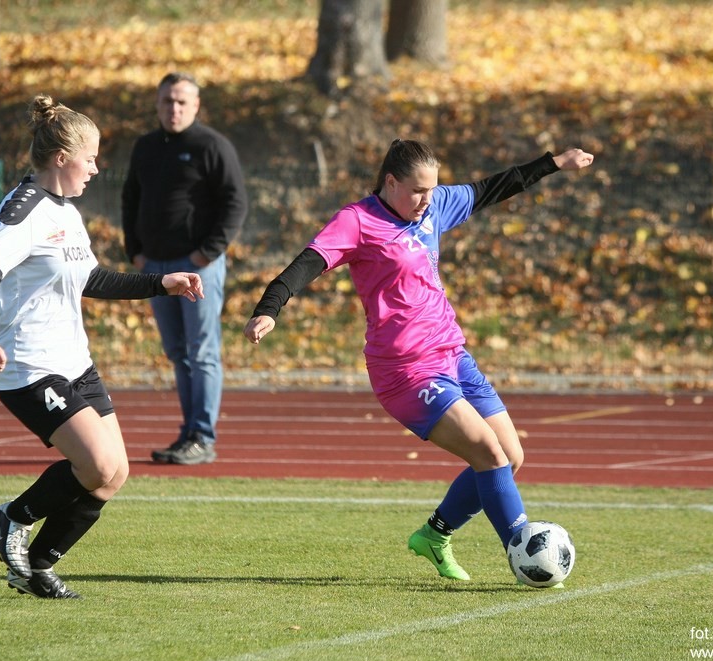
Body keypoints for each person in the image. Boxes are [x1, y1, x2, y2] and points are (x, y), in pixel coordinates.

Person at [244, 140, 593, 581]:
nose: (428, 200)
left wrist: (554, 164)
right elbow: (306, 264)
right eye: (417, 190)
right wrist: (269, 309)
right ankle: (524, 551)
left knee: (510, 455)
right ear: (390, 182)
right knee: (489, 453)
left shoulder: (433, 206)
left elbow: (492, 188)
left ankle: (433, 535)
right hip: (405, 371)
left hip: (452, 354)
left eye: (432, 189)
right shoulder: (358, 221)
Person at [0, 94, 204, 599]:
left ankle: (37, 567)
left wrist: (161, 283)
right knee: (94, 464)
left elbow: (90, 278)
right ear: (61, 158)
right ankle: (13, 517)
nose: (96, 169)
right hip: (29, 365)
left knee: (113, 474)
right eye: (90, 158)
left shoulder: (66, 211)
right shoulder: (23, 209)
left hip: (75, 363)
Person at [121, 72, 248, 466]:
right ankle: (188, 433)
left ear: (195, 105)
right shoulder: (145, 147)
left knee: (202, 350)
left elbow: (235, 203)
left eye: (181, 102)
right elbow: (130, 199)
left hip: (196, 267)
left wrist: (205, 254)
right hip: (156, 270)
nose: (173, 109)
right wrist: (135, 252)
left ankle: (202, 436)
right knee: (178, 353)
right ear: (157, 104)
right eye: (167, 101)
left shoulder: (212, 146)